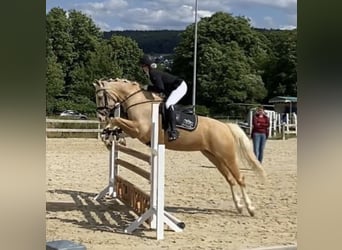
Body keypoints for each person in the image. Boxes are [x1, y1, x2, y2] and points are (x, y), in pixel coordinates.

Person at [139, 54, 188, 141]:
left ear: (145, 66)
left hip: (180, 86)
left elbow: (160, 88)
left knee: (168, 104)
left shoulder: (153, 73)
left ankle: (174, 131)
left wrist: (147, 87)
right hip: (172, 88)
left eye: (142, 66)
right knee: (164, 104)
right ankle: (166, 126)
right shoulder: (152, 73)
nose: (142, 68)